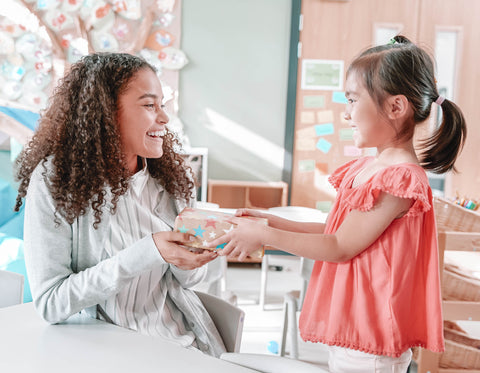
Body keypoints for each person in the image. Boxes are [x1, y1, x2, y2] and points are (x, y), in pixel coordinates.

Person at [209, 35, 467, 371]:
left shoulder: (400, 179)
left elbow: (340, 246)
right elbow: (334, 230)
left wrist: (264, 235)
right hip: (355, 326)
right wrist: (269, 221)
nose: (346, 114)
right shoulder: (370, 167)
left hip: (372, 337)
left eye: (352, 100)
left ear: (395, 107)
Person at [14, 52, 226, 357]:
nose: (164, 118)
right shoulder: (56, 181)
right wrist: (149, 251)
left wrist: (187, 260)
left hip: (179, 348)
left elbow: (187, 283)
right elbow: (51, 303)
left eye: (162, 105)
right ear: (106, 113)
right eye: (149, 105)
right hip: (102, 355)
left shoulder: (170, 179)